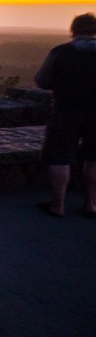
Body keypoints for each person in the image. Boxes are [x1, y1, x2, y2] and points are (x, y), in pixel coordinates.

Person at [35, 13, 96, 218]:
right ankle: (91, 203)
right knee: (93, 159)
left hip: (66, 110)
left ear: (74, 30)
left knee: (60, 157)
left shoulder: (61, 52)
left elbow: (42, 80)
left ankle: (58, 204)